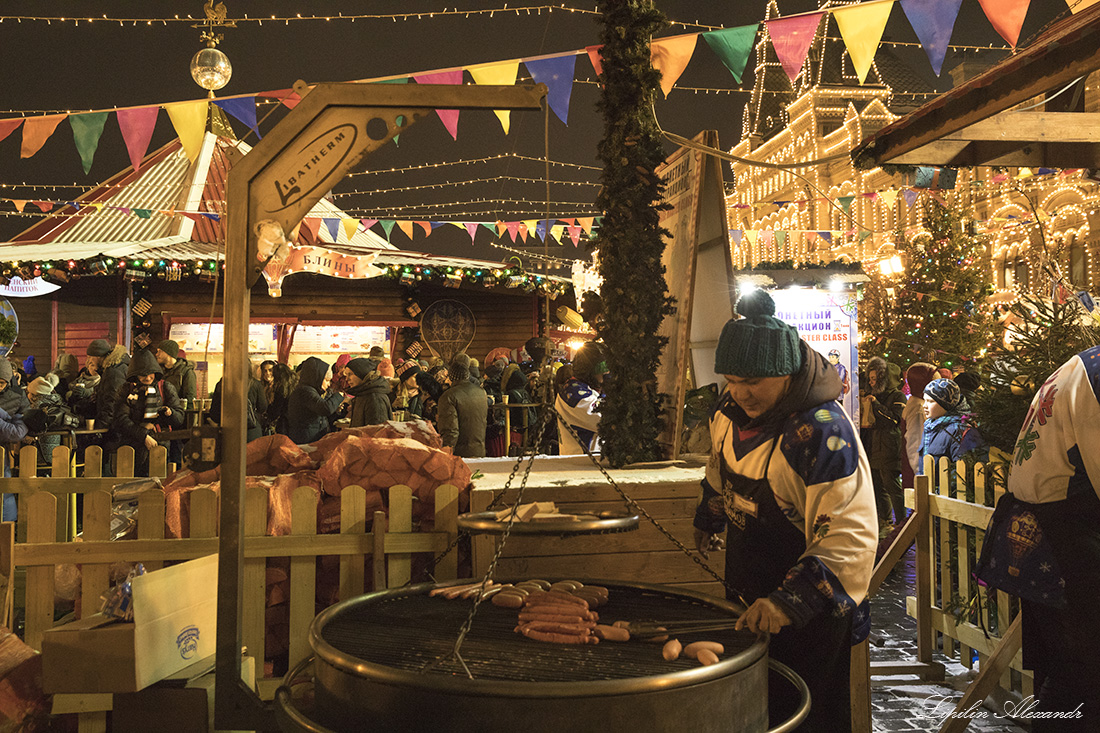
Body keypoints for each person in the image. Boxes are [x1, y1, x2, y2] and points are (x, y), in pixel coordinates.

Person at [692, 289, 877, 732]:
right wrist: (710, 512)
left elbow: (849, 534)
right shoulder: (729, 410)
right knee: (753, 711)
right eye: (733, 380)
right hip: (746, 590)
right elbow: (720, 470)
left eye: (754, 382)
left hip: (808, 613)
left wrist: (788, 602)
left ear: (786, 372)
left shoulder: (822, 434)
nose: (742, 393)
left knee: (803, 717)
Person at [978, 345, 1100, 730]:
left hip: (1054, 525)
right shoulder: (1094, 376)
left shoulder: (1084, 364)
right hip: (1069, 534)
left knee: (1069, 664)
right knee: (1083, 667)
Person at [109, 349, 184, 476]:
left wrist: (169, 413)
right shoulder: (127, 390)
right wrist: (144, 435)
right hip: (132, 447)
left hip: (160, 446)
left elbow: (179, 418)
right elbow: (120, 419)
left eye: (151, 374)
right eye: (143, 374)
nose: (148, 377)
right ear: (135, 374)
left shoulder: (165, 388)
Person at [865, 356, 906, 532]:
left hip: (889, 446)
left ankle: (902, 523)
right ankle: (885, 520)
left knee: (891, 484)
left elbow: (894, 419)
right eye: (870, 378)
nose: (871, 382)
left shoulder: (898, 396)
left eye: (875, 379)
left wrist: (876, 405)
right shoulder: (874, 395)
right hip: (874, 446)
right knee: (877, 484)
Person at [554, 342, 607, 455]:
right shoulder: (573, 394)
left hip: (592, 463)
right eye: (602, 367)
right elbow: (603, 418)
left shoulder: (590, 389)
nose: (606, 372)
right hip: (582, 464)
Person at [437, 353, 487, 458]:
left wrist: (446, 453)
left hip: (460, 454)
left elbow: (451, 431)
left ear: (451, 377)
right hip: (479, 450)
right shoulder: (481, 392)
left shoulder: (448, 397)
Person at [286, 357, 344, 444]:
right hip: (306, 439)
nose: (328, 384)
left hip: (312, 438)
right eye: (326, 380)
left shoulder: (312, 390)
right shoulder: (305, 391)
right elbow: (325, 409)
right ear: (317, 377)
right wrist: (339, 396)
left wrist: (335, 409)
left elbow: (320, 415)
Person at [900, 362, 937, 488]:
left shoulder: (921, 404)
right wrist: (920, 474)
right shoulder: (918, 408)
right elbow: (916, 444)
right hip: (920, 476)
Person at [342, 357, 392, 427]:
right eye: (346, 375)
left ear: (362, 374)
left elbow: (376, 432)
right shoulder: (362, 394)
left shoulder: (375, 399)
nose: (347, 379)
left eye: (350, 374)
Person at [154, 339, 197, 404]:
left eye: (160, 351)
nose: (157, 354)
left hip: (179, 412)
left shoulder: (186, 371)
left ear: (169, 353)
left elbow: (190, 398)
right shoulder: (158, 371)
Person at [266, 362, 298, 436]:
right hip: (296, 421)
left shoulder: (281, 389)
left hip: (285, 423)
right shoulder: (295, 384)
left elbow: (277, 408)